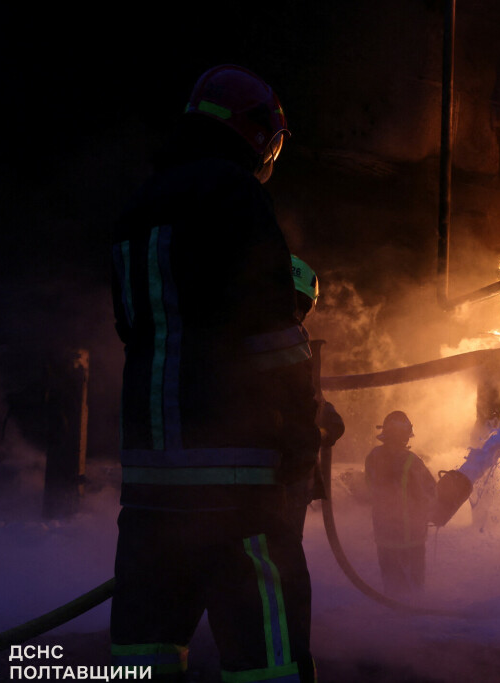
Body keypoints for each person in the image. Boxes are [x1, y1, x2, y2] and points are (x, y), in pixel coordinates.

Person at [109, 64, 320, 683]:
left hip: (150, 488)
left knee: (143, 656)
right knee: (266, 658)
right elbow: (271, 332)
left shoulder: (138, 205)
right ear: (256, 133)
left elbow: (135, 329)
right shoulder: (235, 194)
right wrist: (300, 431)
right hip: (239, 489)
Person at [281, 254, 345, 541]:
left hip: (275, 481)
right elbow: (292, 409)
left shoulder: (232, 335)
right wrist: (321, 428)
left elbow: (300, 397)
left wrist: (321, 412)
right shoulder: (286, 342)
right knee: (276, 567)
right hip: (276, 480)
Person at [364, 410, 437, 595]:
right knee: (414, 590)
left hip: (384, 535)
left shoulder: (373, 457)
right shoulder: (412, 461)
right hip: (411, 537)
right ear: (406, 436)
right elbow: (430, 492)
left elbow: (369, 489)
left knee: (392, 588)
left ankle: (393, 620)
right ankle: (413, 618)